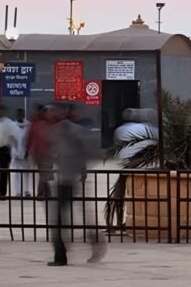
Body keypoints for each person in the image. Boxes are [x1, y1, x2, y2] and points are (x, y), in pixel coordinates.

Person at [48, 111, 106, 266]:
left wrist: (80, 167)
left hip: (71, 181)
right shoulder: (61, 132)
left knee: (64, 219)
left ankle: (62, 255)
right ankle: (63, 253)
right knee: (66, 218)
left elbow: (93, 153)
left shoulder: (71, 131)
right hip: (66, 180)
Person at [9, 108, 33, 197]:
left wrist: (27, 151)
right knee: (16, 174)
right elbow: (11, 139)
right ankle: (18, 192)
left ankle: (26, 190)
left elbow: (31, 139)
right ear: (17, 115)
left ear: (24, 114)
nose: (20, 115)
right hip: (15, 154)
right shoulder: (12, 125)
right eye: (19, 114)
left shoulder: (29, 125)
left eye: (22, 114)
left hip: (27, 153)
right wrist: (15, 151)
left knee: (27, 173)